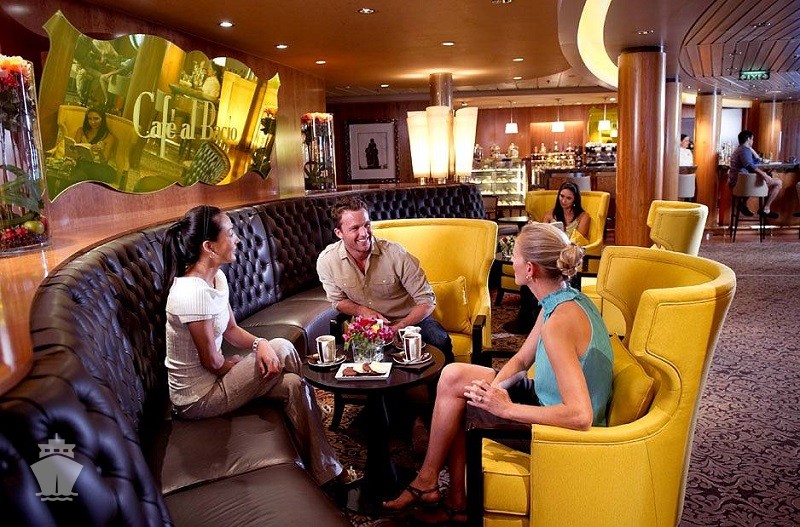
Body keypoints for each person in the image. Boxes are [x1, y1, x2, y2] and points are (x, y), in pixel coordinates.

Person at [382, 222, 614, 524]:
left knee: (463, 404)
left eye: (514, 255)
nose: (511, 260)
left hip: (559, 431)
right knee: (454, 376)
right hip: (544, 397)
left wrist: (505, 408)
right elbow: (522, 359)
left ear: (529, 269)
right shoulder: (561, 299)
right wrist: (494, 389)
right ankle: (432, 483)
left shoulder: (559, 323)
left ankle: (451, 499)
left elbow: (580, 416)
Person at [162, 205, 357, 487]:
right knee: (281, 347)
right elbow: (212, 362)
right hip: (197, 399)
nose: (237, 239)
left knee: (293, 385)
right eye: (230, 233)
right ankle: (319, 437)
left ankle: (325, 472)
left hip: (216, 380)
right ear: (209, 247)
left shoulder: (216, 278)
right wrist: (238, 363)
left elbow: (231, 330)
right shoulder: (191, 293)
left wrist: (258, 343)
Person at [316, 197, 453, 363]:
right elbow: (338, 301)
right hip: (367, 326)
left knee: (440, 340)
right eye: (355, 228)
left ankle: (448, 379)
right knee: (356, 360)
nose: (364, 233)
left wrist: (399, 327)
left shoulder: (396, 254)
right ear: (339, 233)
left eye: (367, 225)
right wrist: (361, 310)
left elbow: (427, 301)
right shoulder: (327, 261)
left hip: (410, 321)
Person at [728, 130, 782, 219]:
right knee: (778, 183)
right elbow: (749, 166)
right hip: (743, 184)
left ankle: (742, 203)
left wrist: (750, 148)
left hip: (738, 182)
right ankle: (766, 209)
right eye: (752, 139)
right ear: (748, 139)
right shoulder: (744, 150)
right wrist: (764, 174)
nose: (753, 141)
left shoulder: (741, 149)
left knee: (760, 178)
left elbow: (757, 160)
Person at [70, 107, 118, 185]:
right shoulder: (81, 131)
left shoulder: (109, 137)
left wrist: (100, 152)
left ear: (102, 119)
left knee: (108, 173)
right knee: (78, 168)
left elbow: (104, 161)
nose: (92, 122)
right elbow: (74, 150)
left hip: (98, 167)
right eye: (90, 119)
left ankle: (81, 178)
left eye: (96, 119)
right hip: (81, 163)